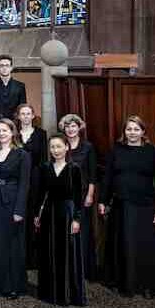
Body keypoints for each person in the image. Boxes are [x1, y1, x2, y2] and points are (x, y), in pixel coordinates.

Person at [99, 116, 155, 299]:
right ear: (124, 132)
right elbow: (107, 179)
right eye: (129, 129)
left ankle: (147, 285)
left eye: (136, 129)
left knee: (146, 247)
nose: (132, 133)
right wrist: (103, 201)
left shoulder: (154, 153)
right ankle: (123, 284)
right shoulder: (116, 151)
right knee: (123, 244)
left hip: (146, 206)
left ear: (143, 132)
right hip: (122, 205)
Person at [34, 134, 87, 306]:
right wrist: (37, 215)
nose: (55, 150)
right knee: (50, 252)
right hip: (49, 214)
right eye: (52, 147)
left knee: (68, 253)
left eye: (58, 146)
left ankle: (69, 294)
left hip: (68, 214)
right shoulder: (45, 168)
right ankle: (51, 293)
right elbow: (41, 194)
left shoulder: (75, 169)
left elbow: (79, 197)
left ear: (66, 147)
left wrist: (77, 219)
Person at [0, 118, 31, 299]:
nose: (1, 134)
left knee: (13, 245)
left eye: (5, 130)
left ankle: (14, 285)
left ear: (13, 132)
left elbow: (25, 184)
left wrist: (19, 210)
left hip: (13, 203)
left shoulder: (22, 154)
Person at [59, 113, 98, 280]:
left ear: (79, 127)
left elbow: (92, 174)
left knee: (82, 231)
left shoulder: (88, 147)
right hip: (63, 195)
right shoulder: (60, 145)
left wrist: (90, 195)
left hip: (82, 195)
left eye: (73, 126)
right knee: (65, 231)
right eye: (67, 126)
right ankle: (67, 269)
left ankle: (83, 270)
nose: (70, 129)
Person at [18, 104, 48, 268]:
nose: (26, 116)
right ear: (18, 116)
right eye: (22, 114)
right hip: (19, 178)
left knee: (34, 214)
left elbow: (44, 159)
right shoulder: (14, 134)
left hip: (36, 178)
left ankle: (33, 256)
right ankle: (20, 254)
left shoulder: (41, 134)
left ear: (33, 115)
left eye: (28, 113)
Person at [0, 54, 27, 123]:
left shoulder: (20, 86)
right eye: (2, 65)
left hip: (14, 124)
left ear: (11, 68)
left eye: (7, 65)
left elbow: (22, 108)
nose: (4, 68)